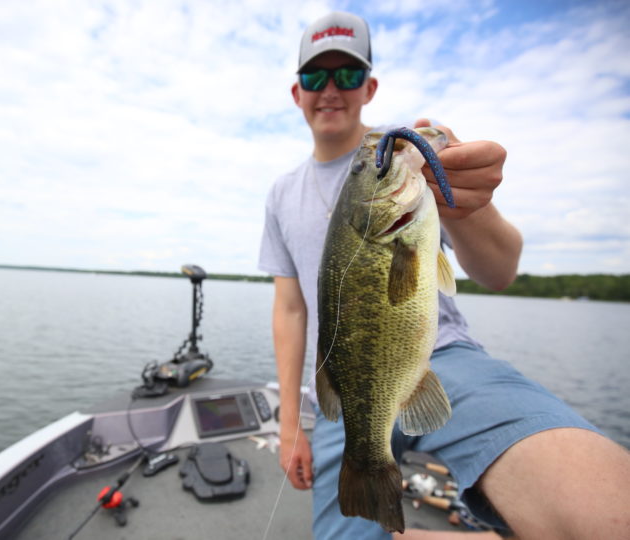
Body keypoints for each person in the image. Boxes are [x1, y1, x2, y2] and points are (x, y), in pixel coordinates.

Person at [258, 11, 630, 540]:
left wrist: (467, 207)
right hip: (346, 381)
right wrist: (290, 419)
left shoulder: (409, 155)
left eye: (348, 75)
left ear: (370, 86)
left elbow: (501, 272)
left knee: (604, 514)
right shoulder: (282, 193)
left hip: (444, 355)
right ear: (298, 92)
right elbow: (291, 309)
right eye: (317, 77)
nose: (331, 89)